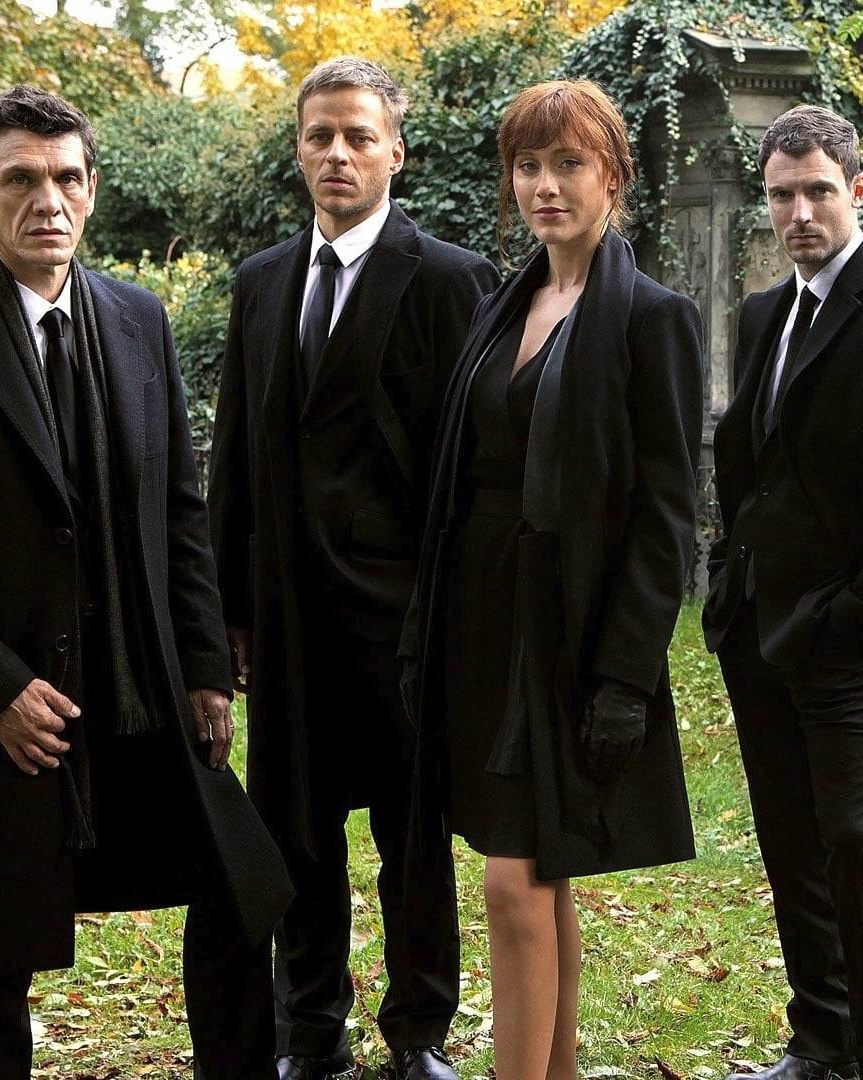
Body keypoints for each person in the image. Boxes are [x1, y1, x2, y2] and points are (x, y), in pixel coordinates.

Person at [0, 85, 293, 1079]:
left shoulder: (137, 319)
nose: (46, 201)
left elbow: (178, 506)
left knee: (238, 888)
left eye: (66, 178)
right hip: (7, 697)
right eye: (21, 180)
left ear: (91, 188)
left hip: (139, 680)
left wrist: (205, 666)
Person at [396, 79, 703, 1080]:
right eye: (528, 165)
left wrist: (624, 675)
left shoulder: (652, 317)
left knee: (512, 879)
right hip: (482, 622)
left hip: (571, 629)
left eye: (569, 163)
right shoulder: (502, 305)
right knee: (541, 870)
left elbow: (665, 515)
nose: (545, 185)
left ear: (613, 174)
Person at [207, 56, 497, 1080]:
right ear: (299, 149)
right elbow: (235, 457)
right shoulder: (261, 282)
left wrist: (459, 620)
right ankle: (309, 1030)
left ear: (395, 153)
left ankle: (418, 1034)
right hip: (287, 615)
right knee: (295, 834)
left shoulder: (451, 279)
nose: (338, 153)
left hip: (403, 616)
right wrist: (228, 611)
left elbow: (473, 470)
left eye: (358, 137)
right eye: (320, 135)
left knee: (413, 837)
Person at [701, 104, 863, 1080]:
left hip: (849, 642)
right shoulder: (764, 313)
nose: (799, 213)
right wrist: (728, 583)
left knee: (855, 841)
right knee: (792, 845)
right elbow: (749, 465)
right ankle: (822, 1043)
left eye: (817, 192)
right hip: (759, 628)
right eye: (781, 195)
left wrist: (858, 618)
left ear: (857, 189)